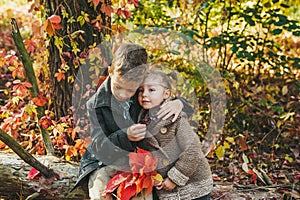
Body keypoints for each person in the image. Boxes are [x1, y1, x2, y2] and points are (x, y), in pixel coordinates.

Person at [71, 43, 193, 200]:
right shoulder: (96, 105)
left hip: (140, 160)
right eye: (119, 87)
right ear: (110, 72)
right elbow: (99, 146)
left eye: (130, 90)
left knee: (142, 192)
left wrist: (179, 103)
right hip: (105, 160)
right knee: (100, 186)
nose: (123, 94)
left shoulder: (144, 94)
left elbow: (182, 107)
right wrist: (125, 135)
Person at [137, 70, 213, 200]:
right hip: (166, 188)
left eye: (151, 90)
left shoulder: (175, 119)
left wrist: (175, 178)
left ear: (166, 94)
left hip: (194, 185)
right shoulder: (142, 120)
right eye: (140, 90)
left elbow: (193, 150)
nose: (144, 94)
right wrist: (153, 177)